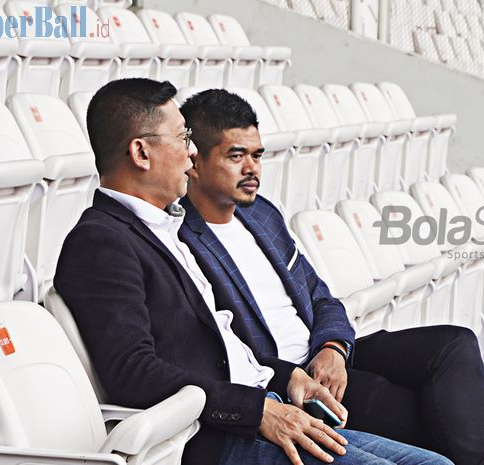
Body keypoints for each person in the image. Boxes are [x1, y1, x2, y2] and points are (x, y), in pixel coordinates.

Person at [54, 78, 453, 465]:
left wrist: (285, 378)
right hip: (211, 438)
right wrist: (257, 411)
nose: (192, 155)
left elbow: (220, 348)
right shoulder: (101, 242)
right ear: (141, 153)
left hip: (266, 406)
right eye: (182, 139)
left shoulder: (162, 228)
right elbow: (132, 373)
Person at [178, 89, 484, 465]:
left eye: (257, 155)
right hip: (288, 380)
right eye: (236, 156)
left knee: (453, 344)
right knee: (425, 413)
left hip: (324, 354)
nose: (253, 168)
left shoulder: (261, 215)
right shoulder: (182, 239)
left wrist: (333, 347)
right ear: (194, 162)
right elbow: (221, 348)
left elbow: (320, 296)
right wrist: (298, 373)